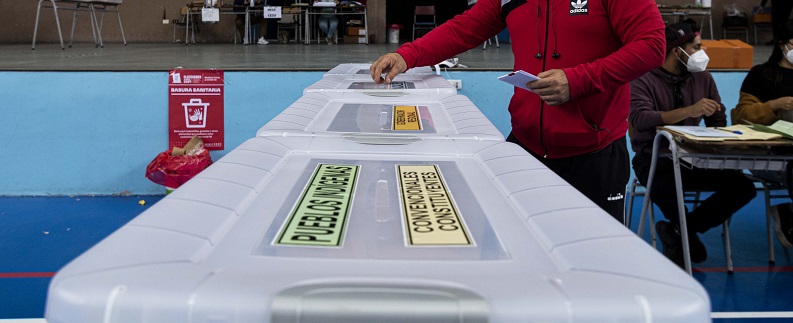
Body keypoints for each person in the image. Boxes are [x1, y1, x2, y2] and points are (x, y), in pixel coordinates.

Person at [369, 0, 666, 222]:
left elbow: (651, 45)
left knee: (596, 268)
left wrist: (577, 80)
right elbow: (464, 28)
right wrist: (406, 55)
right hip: (525, 150)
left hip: (593, 155)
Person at [629, 22, 758, 268]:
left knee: (742, 186)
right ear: (678, 51)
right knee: (667, 187)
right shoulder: (643, 79)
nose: (702, 51)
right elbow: (640, 119)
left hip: (696, 158)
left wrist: (721, 127)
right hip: (655, 158)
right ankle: (684, 234)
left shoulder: (703, 77)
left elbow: (717, 120)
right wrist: (690, 110)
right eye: (696, 46)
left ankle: (681, 231)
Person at [731, 20, 793, 249]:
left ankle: (788, 211)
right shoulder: (761, 75)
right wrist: (773, 106)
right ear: (782, 45)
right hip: (768, 156)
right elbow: (743, 115)